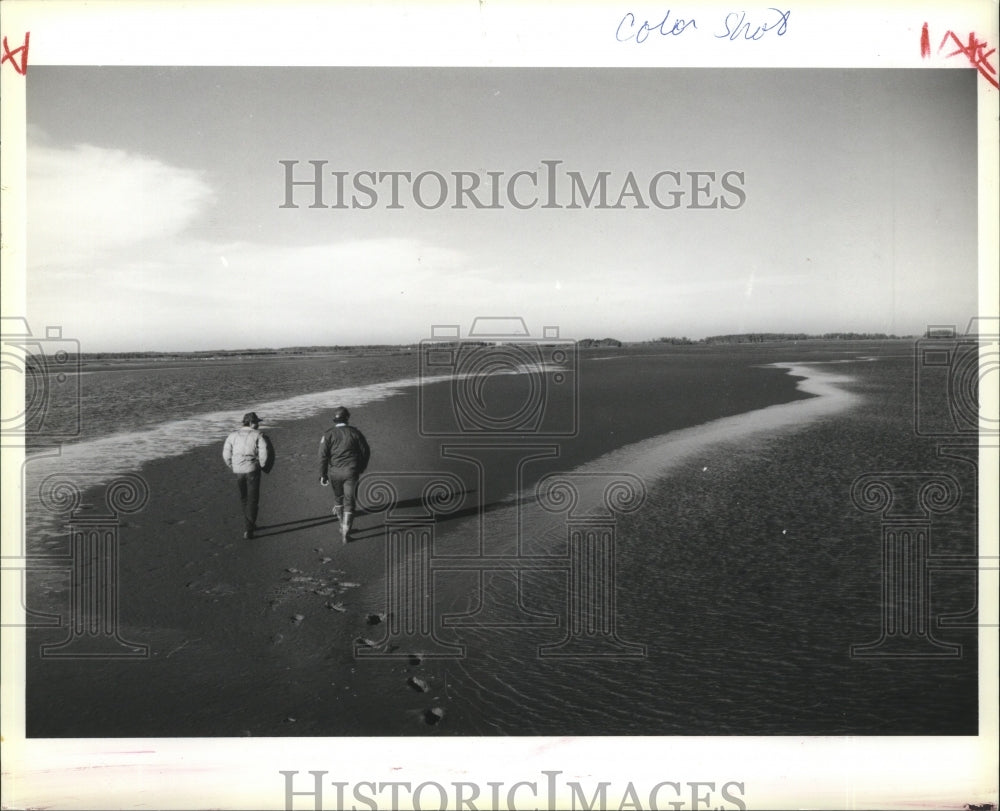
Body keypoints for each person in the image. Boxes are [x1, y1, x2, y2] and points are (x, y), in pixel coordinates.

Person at [318, 406, 371, 543]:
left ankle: (341, 526)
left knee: (338, 498)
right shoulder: (355, 433)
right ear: (347, 418)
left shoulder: (328, 434)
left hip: (334, 472)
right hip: (351, 471)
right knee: (350, 501)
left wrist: (322, 475)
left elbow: (322, 456)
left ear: (335, 420)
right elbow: (365, 452)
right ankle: (346, 533)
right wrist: (361, 467)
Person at [223, 411, 270, 540]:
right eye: (256, 422)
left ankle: (250, 523)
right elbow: (264, 453)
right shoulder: (258, 435)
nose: (258, 425)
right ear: (251, 423)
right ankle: (249, 529)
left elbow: (226, 454)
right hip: (252, 469)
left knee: (244, 498)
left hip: (238, 470)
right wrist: (262, 465)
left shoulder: (232, 435)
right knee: (253, 499)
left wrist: (231, 466)